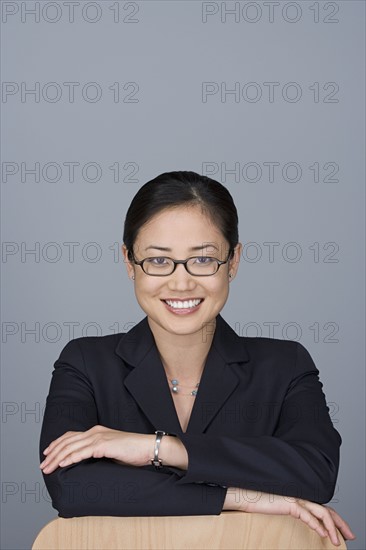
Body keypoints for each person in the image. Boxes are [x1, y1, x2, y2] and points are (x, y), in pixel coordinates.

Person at [39, 171, 355, 545]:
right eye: (158, 261)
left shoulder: (285, 365)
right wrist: (243, 497)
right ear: (129, 262)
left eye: (203, 259)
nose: (181, 282)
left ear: (233, 260)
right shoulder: (86, 362)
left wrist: (158, 448)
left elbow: (314, 472)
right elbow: (72, 488)